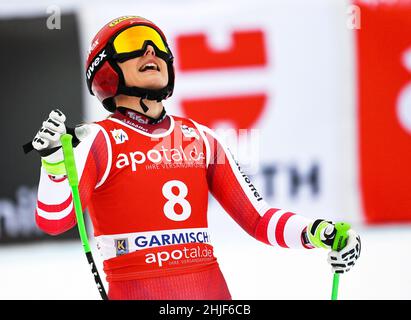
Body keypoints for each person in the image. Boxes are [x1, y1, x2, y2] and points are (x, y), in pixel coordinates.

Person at [32, 16, 361, 300]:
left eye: (159, 45)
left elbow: (259, 219)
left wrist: (317, 231)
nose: (151, 51)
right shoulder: (98, 139)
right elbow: (54, 221)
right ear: (104, 67)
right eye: (133, 42)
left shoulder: (202, 138)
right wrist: (54, 163)